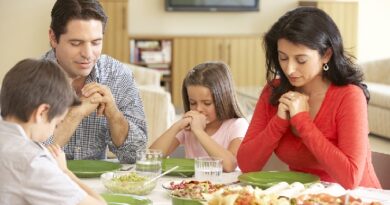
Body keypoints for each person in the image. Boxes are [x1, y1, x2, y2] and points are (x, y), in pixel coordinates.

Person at [237, 7, 381, 189]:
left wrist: (302, 122)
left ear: (326, 55)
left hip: (358, 198)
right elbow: (247, 165)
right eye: (283, 58)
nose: (289, 69)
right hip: (303, 196)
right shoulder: (274, 91)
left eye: (301, 60)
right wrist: (279, 122)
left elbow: (350, 179)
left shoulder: (349, 96)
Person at [43, 0, 147, 163]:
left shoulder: (118, 75)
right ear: (53, 37)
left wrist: (113, 114)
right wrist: (75, 114)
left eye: (96, 42)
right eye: (76, 43)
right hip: (44, 183)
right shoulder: (28, 80)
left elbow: (136, 155)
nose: (88, 54)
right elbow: (26, 161)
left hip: (99, 184)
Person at [0, 59, 106, 205]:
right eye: (57, 124)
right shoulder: (33, 163)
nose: (53, 131)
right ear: (42, 112)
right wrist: (64, 171)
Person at [150, 61, 248, 172]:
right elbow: (151, 158)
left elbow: (230, 165)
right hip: (193, 187)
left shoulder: (237, 125)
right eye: (193, 103)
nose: (198, 109)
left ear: (223, 99)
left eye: (207, 103)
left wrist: (199, 132)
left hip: (227, 188)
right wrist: (177, 126)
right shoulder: (188, 127)